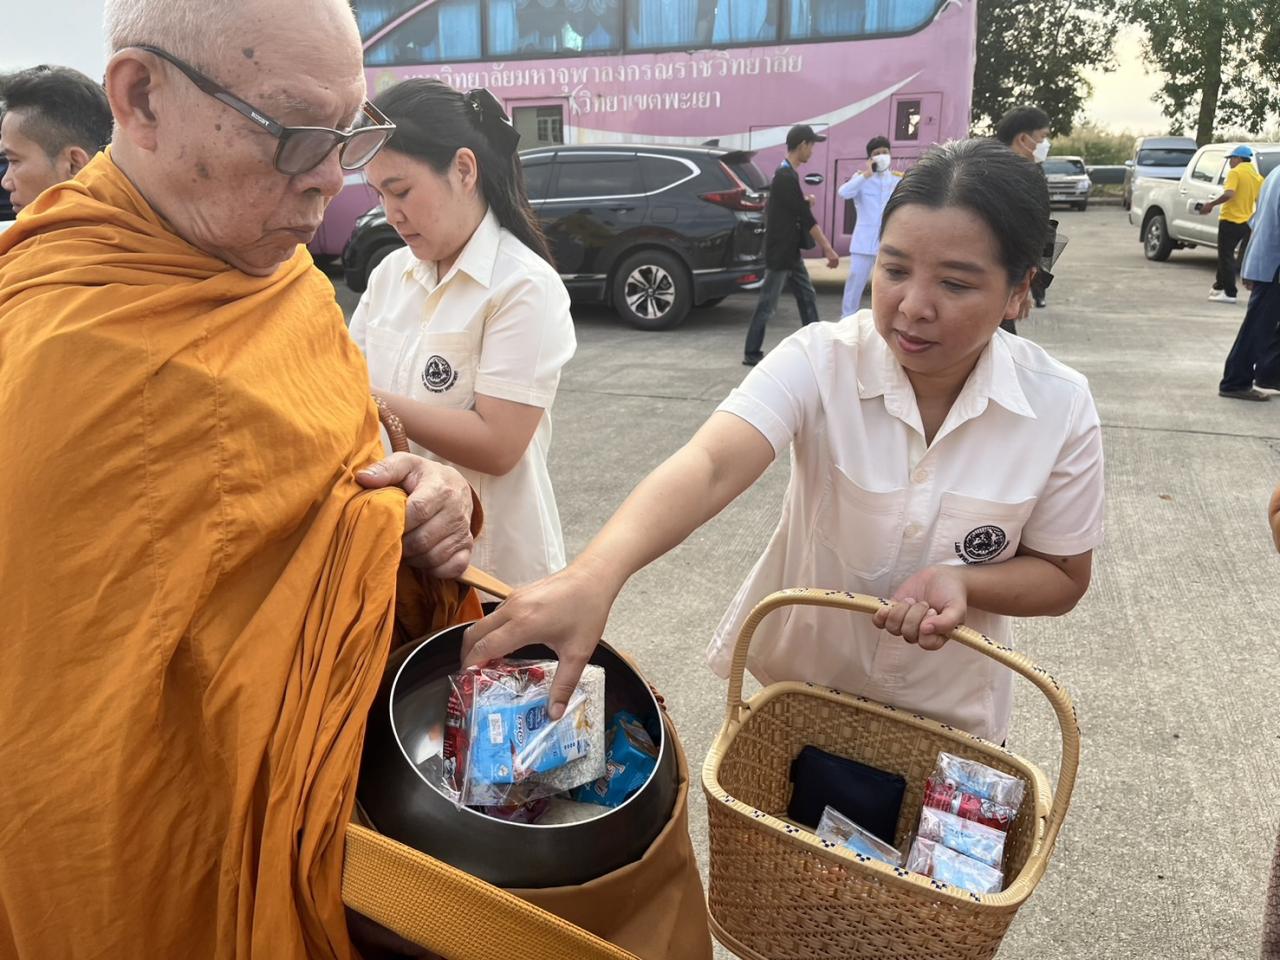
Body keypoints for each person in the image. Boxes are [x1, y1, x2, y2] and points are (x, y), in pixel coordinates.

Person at [0, 1, 483, 956]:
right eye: (298, 133)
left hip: (331, 805)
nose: (332, 181)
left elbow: (347, 465)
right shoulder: (49, 342)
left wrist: (428, 496)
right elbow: (54, 702)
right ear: (141, 97)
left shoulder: (283, 278)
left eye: (352, 135)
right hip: (142, 845)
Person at [464, 139, 1104, 750]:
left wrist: (965, 582)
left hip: (954, 726)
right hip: (800, 706)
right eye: (895, 268)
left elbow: (1063, 575)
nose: (912, 305)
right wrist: (593, 577)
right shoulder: (822, 360)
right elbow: (711, 464)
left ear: (1020, 289)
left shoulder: (1059, 405)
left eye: (956, 285)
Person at [350, 79, 576, 589]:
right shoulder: (389, 276)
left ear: (464, 169)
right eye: (380, 193)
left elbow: (498, 443)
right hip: (401, 560)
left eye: (402, 190)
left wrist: (366, 396)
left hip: (493, 571)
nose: (391, 214)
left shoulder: (523, 285)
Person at [742, 123, 840, 366]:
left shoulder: (786, 173)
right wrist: (827, 248)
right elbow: (805, 219)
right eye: (812, 146)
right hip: (780, 253)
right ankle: (751, 352)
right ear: (803, 145)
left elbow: (790, 208)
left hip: (789, 251)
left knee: (807, 296)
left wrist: (803, 202)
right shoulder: (785, 176)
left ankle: (818, 347)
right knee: (767, 305)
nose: (813, 151)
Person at [0, 64, 113, 214]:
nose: (6, 183)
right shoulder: (143, 226)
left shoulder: (49, 237)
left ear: (74, 164)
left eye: (14, 161)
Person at [1217, 165, 1280, 401]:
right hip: (1275, 266)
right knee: (1257, 326)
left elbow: (1256, 221)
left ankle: (1270, 374)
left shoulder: (1275, 173)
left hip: (1266, 260)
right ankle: (1235, 381)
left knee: (1266, 324)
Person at [995, 104, 1054, 322]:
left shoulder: (1030, 172)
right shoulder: (1002, 178)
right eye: (1042, 137)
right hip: (995, 282)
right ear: (1023, 139)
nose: (1045, 144)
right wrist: (1017, 288)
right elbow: (1013, 236)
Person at [837, 134, 901, 316]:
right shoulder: (862, 179)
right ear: (870, 158)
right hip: (863, 243)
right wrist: (865, 175)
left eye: (885, 152)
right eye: (877, 153)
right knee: (855, 282)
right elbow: (843, 193)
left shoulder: (897, 180)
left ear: (890, 154)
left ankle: (884, 319)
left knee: (887, 284)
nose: (881, 155)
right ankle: (847, 318)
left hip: (889, 242)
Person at [1201, 145, 1264, 305]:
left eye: (1231, 159)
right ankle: (1218, 286)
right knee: (1226, 255)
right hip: (1246, 221)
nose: (1230, 162)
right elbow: (1259, 200)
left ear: (1238, 159)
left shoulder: (1235, 173)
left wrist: (1211, 204)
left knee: (1225, 256)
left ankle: (1230, 293)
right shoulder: (1257, 177)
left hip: (1230, 219)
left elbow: (1229, 193)